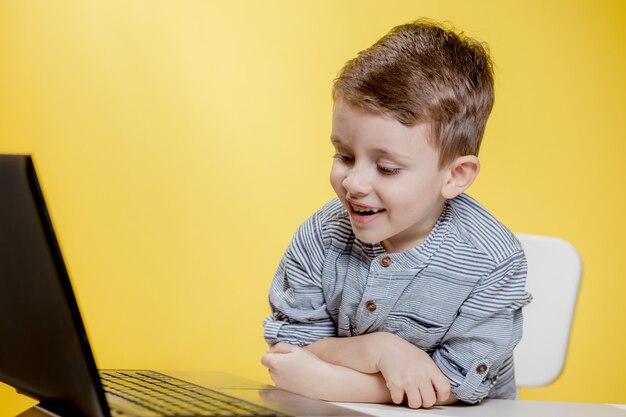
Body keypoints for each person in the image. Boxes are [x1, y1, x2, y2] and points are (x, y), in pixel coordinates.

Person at [260, 19, 532, 409]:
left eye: (386, 168)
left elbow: (460, 384)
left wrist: (331, 383)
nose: (354, 183)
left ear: (455, 175)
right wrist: (380, 350)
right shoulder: (320, 237)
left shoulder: (493, 261)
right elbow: (292, 350)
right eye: (345, 156)